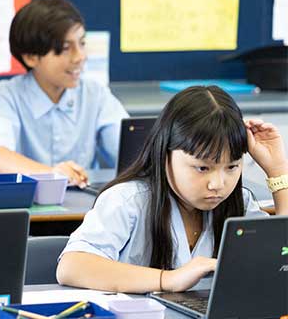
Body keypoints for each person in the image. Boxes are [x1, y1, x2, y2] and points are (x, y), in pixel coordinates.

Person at [56, 86, 288, 293]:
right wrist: (168, 280)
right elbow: (71, 266)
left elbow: (282, 256)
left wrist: (277, 170)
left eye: (232, 167)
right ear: (165, 153)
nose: (217, 184)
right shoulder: (128, 200)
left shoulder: (239, 202)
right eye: (202, 167)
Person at [0, 0, 127, 186]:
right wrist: (53, 175)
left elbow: (133, 153)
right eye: (65, 48)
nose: (80, 57)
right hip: (24, 210)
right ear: (31, 57)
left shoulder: (95, 94)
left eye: (82, 43)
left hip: (84, 209)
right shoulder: (5, 96)